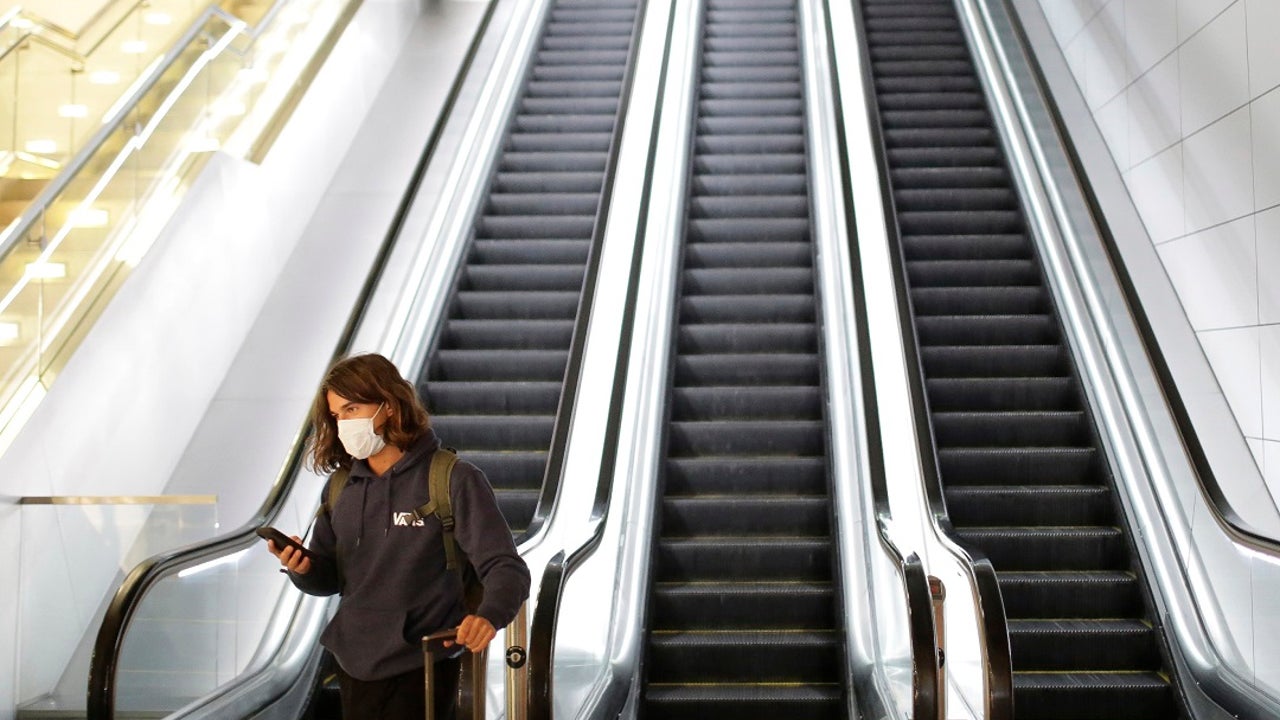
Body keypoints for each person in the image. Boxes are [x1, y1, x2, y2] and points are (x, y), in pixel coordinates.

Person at [266, 353, 530, 720]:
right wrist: (303, 569)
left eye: (352, 409)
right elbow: (330, 579)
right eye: (337, 416)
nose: (344, 424)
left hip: (423, 663)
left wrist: (488, 616)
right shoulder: (341, 487)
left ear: (388, 405)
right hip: (353, 660)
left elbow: (506, 566)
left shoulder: (453, 479)